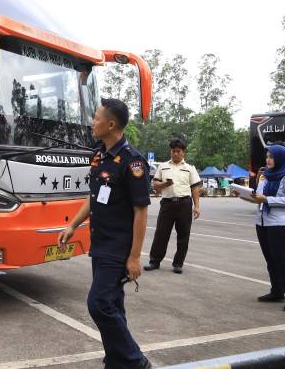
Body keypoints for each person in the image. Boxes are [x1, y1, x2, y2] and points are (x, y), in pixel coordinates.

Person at [58, 98, 152, 369]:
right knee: (113, 304)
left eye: (97, 118)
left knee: (98, 303)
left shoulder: (133, 163)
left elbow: (141, 212)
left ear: (111, 124)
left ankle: (135, 361)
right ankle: (117, 361)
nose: (92, 122)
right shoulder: (99, 155)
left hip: (117, 247)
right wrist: (73, 225)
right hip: (99, 243)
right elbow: (94, 196)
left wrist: (134, 257)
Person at [246, 144, 285, 312]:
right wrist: (245, 196)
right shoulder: (264, 176)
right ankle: (277, 291)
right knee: (270, 259)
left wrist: (267, 200)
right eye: (267, 157)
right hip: (262, 221)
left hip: (279, 223)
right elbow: (259, 198)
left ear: (280, 158)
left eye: (272, 157)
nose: (268, 160)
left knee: (281, 260)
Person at [144, 139, 202, 274]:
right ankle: (154, 261)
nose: (175, 154)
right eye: (173, 151)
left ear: (183, 153)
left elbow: (195, 188)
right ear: (170, 151)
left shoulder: (190, 168)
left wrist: (197, 206)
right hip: (167, 204)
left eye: (178, 151)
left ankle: (178, 263)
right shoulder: (163, 166)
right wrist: (165, 184)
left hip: (184, 204)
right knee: (161, 233)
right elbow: (155, 185)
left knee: (183, 235)